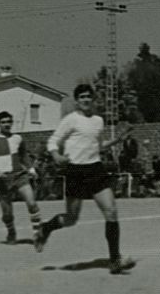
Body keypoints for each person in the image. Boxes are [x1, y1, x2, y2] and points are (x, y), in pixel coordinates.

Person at [36, 84, 135, 275]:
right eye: (82, 97)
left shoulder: (98, 121)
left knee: (111, 211)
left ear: (93, 98)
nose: (86, 100)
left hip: (95, 169)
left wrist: (118, 139)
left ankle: (115, 260)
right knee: (72, 219)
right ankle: (45, 228)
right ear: (77, 101)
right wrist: (56, 156)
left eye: (89, 96)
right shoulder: (70, 120)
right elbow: (52, 141)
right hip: (75, 171)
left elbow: (98, 146)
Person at [0, 111, 42, 245]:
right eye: (3, 122)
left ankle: (38, 234)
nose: (6, 124)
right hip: (2, 180)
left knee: (32, 203)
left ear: (12, 122)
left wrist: (31, 169)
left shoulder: (18, 139)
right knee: (7, 214)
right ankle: (11, 231)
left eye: (9, 122)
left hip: (19, 176)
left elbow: (24, 157)